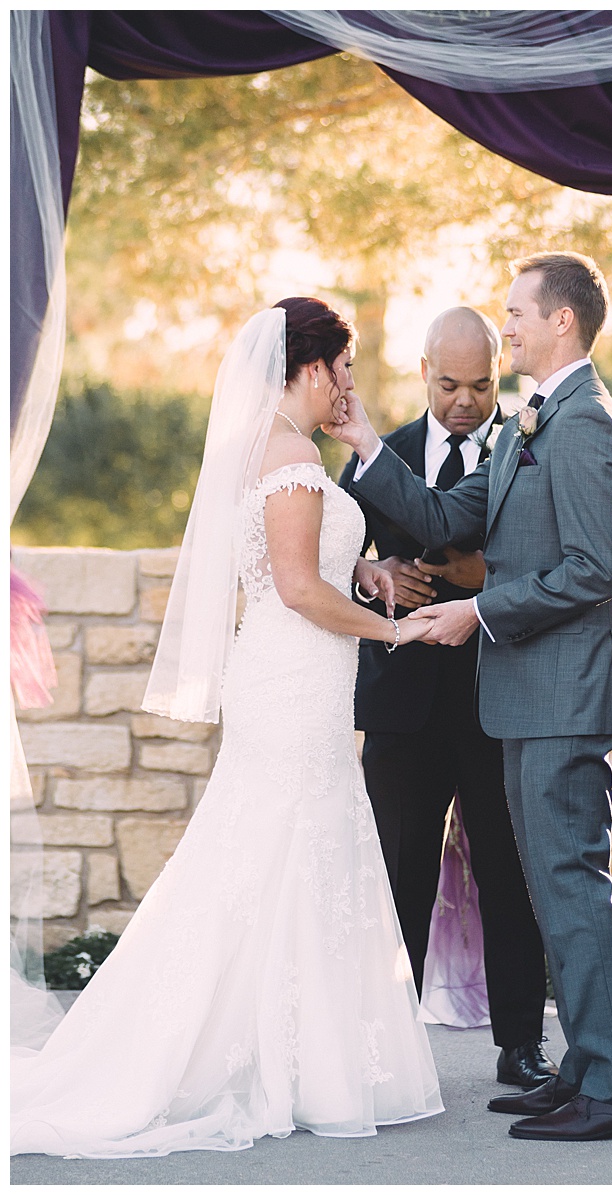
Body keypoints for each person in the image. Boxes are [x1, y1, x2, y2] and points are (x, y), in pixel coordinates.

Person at [12, 299, 443, 1157]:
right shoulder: (292, 456)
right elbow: (297, 588)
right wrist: (396, 631)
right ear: (310, 367)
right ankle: (291, 1065)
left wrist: (362, 569)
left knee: (277, 857)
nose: (350, 385)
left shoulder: (266, 447)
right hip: (294, 683)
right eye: (344, 368)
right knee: (287, 851)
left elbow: (294, 561)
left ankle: (296, 1056)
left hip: (290, 681)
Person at [330, 252, 612, 1144]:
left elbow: (591, 571)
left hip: (564, 697)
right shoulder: (531, 423)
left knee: (570, 889)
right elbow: (442, 518)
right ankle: (586, 1071)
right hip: (525, 701)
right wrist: (366, 444)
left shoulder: (584, 423)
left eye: (517, 312)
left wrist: (477, 609)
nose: (506, 324)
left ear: (562, 320)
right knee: (556, 891)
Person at [337, 307, 554, 1089]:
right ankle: (384, 1050)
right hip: (402, 704)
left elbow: (548, 559)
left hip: (499, 697)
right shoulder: (382, 453)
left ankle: (522, 1044)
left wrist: (480, 575)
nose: (465, 401)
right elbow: (334, 556)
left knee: (509, 874)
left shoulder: (527, 452)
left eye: (482, 385)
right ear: (424, 372)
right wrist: (376, 575)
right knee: (398, 874)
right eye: (449, 384)